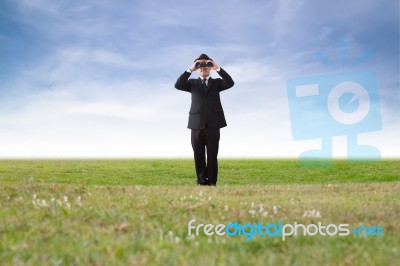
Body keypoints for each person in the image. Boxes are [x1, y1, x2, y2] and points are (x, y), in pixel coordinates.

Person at [174, 54, 234, 186]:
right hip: (196, 124)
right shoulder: (191, 83)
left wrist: (217, 67)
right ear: (196, 68)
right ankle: (201, 181)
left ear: (210, 67)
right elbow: (178, 85)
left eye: (206, 65)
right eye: (199, 65)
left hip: (213, 125)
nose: (203, 67)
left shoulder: (217, 83)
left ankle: (212, 182)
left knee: (212, 155)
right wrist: (190, 69)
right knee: (198, 154)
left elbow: (230, 83)